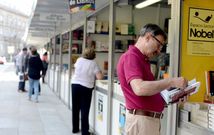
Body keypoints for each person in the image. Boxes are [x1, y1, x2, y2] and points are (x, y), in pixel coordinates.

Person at [117, 24, 188, 135]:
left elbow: (148, 94)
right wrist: (171, 81)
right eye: (158, 45)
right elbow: (139, 88)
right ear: (148, 37)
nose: (159, 51)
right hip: (142, 122)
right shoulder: (131, 57)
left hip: (147, 121)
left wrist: (173, 96)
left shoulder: (143, 59)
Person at [71, 47, 103, 135]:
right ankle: (85, 132)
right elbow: (100, 77)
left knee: (75, 108)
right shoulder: (93, 63)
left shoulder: (79, 60)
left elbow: (75, 69)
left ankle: (75, 128)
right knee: (84, 109)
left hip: (75, 85)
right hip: (86, 87)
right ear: (94, 55)